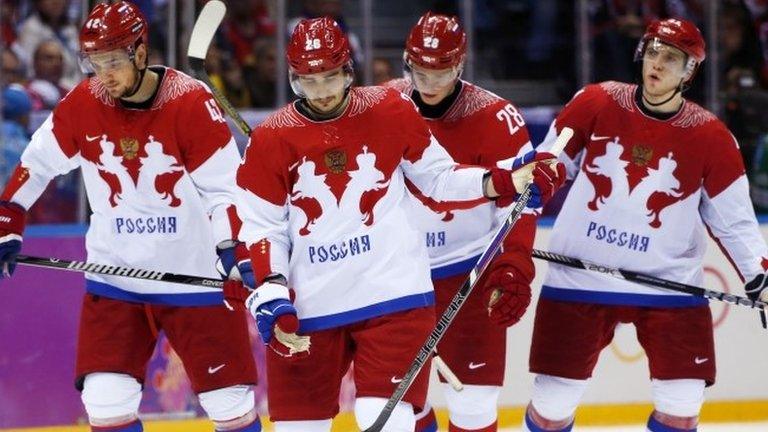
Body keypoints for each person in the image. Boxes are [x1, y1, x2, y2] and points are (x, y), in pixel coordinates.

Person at [230, 16, 560, 432]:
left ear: (348, 70)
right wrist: (271, 288)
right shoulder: (271, 138)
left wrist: (506, 180)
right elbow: (262, 226)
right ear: (293, 78)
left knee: (387, 423)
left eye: (330, 78)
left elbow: (438, 178)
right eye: (308, 82)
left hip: (393, 297)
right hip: (313, 301)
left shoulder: (389, 110)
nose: (322, 93)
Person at [0, 3, 261, 431]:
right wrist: (9, 216)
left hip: (195, 277)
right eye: (94, 63)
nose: (104, 74)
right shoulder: (85, 102)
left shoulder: (189, 102)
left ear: (140, 53)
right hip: (116, 278)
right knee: (105, 402)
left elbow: (225, 191)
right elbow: (38, 162)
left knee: (229, 403)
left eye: (114, 62)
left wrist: (234, 248)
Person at [523, 18, 768, 432]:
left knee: (682, 401)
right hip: (581, 277)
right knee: (552, 401)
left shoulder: (712, 137)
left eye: (671, 58)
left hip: (665, 281)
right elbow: (552, 157)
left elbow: (736, 222)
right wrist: (533, 183)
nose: (657, 63)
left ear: (689, 71)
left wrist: (758, 274)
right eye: (652, 51)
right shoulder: (596, 101)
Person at [383, 12, 564, 432]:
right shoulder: (381, 105)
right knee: (394, 407)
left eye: (440, 71)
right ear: (406, 60)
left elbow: (519, 201)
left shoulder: (497, 116)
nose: (427, 82)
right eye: (419, 69)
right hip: (393, 277)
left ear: (460, 65)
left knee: (475, 405)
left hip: (468, 273)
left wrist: (514, 263)